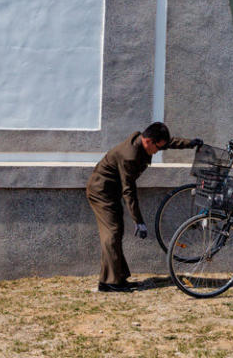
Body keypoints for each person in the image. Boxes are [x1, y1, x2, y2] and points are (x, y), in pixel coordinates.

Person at [85, 122, 202, 292]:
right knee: (112, 233)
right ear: (148, 141)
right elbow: (129, 191)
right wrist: (138, 221)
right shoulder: (129, 156)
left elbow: (169, 143)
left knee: (115, 232)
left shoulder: (147, 142)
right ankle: (110, 283)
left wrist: (190, 143)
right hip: (101, 192)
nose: (157, 152)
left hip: (111, 191)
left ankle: (114, 279)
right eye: (157, 148)